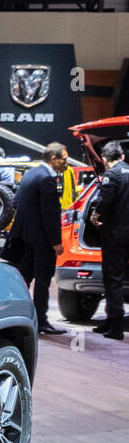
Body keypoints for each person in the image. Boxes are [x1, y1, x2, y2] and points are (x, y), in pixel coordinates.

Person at [9, 142, 69, 335]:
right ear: (53, 158)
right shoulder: (47, 179)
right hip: (42, 241)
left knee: (24, 278)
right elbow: (50, 215)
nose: (65, 163)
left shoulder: (30, 174)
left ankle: (17, 316)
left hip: (25, 237)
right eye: (64, 159)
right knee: (43, 280)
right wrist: (56, 242)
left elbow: (15, 202)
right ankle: (41, 321)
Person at [90, 141, 129, 340]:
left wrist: (96, 215)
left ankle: (115, 326)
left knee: (112, 279)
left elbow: (105, 200)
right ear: (122, 156)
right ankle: (109, 320)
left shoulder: (111, 175)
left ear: (104, 160)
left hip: (115, 234)